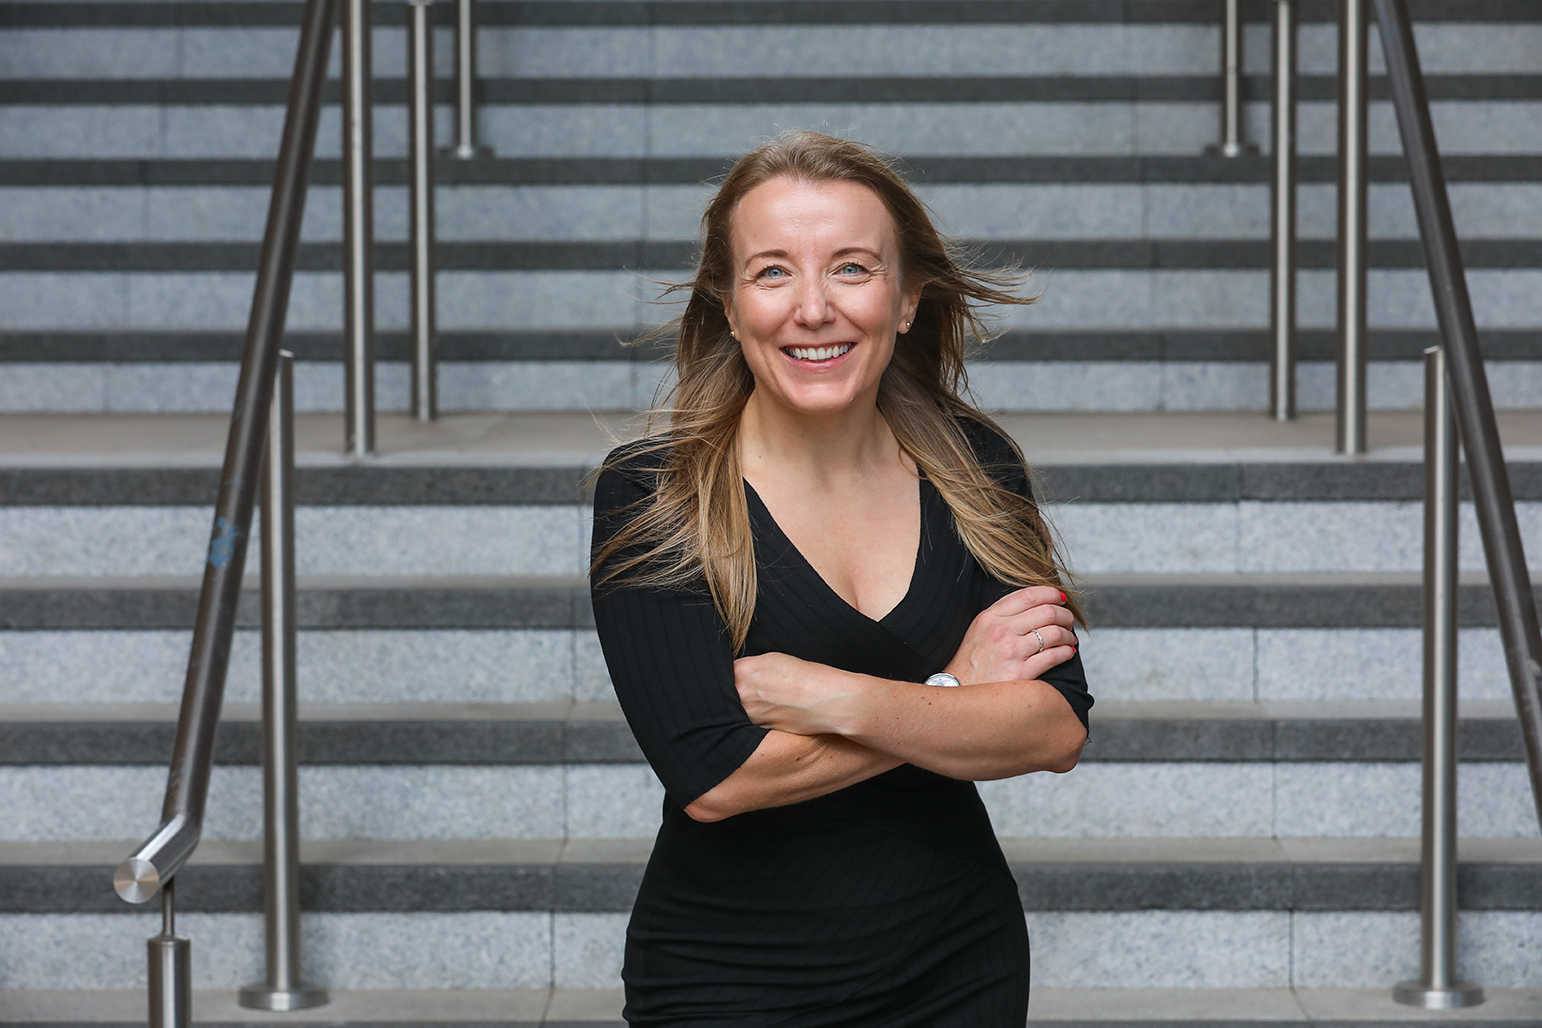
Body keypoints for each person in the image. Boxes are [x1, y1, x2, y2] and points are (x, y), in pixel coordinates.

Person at [589, 129, 1092, 1027]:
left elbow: (1053, 726)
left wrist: (838, 698)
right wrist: (953, 692)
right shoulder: (655, 492)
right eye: (773, 273)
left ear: (906, 300)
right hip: (728, 979)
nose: (813, 309)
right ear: (729, 305)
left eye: (852, 268)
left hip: (959, 960)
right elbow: (717, 779)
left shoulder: (975, 468)